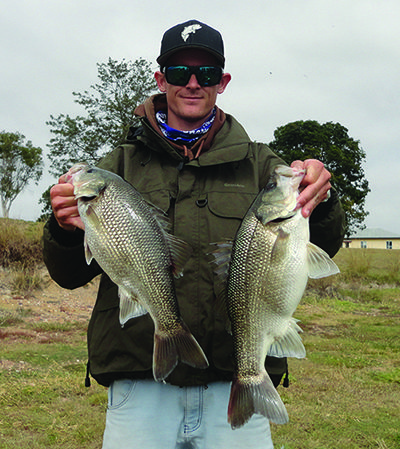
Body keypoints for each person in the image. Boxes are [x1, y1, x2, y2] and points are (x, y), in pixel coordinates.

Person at [43, 19, 345, 449]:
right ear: (160, 78)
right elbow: (68, 274)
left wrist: (323, 198)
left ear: (221, 82)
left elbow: (323, 244)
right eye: (179, 71)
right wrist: (63, 229)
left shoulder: (264, 165)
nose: (191, 83)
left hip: (235, 382)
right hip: (139, 386)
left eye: (205, 74)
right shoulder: (116, 168)